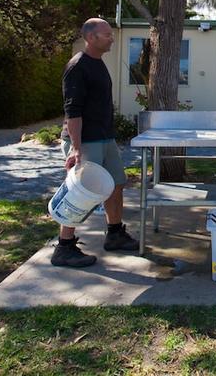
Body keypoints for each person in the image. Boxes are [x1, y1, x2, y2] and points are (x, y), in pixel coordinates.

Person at [51, 18, 138, 268]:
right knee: (80, 193)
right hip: (86, 140)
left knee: (117, 183)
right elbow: (73, 111)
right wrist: (77, 149)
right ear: (91, 37)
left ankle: (115, 233)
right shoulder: (77, 67)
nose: (112, 38)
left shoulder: (98, 63)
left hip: (104, 137)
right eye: (107, 34)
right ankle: (64, 247)